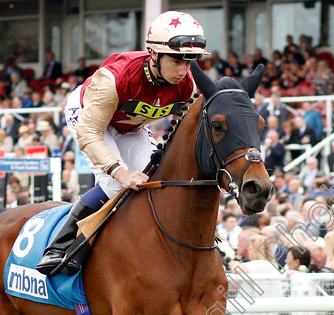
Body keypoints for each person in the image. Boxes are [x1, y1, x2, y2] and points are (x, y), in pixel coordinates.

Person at [36, 11, 208, 276]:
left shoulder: (186, 85)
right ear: (154, 54)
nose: (184, 70)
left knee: (152, 179)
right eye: (177, 60)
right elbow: (90, 132)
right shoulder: (115, 77)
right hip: (89, 118)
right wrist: (120, 172)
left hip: (130, 125)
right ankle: (60, 247)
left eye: (190, 61)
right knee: (118, 186)